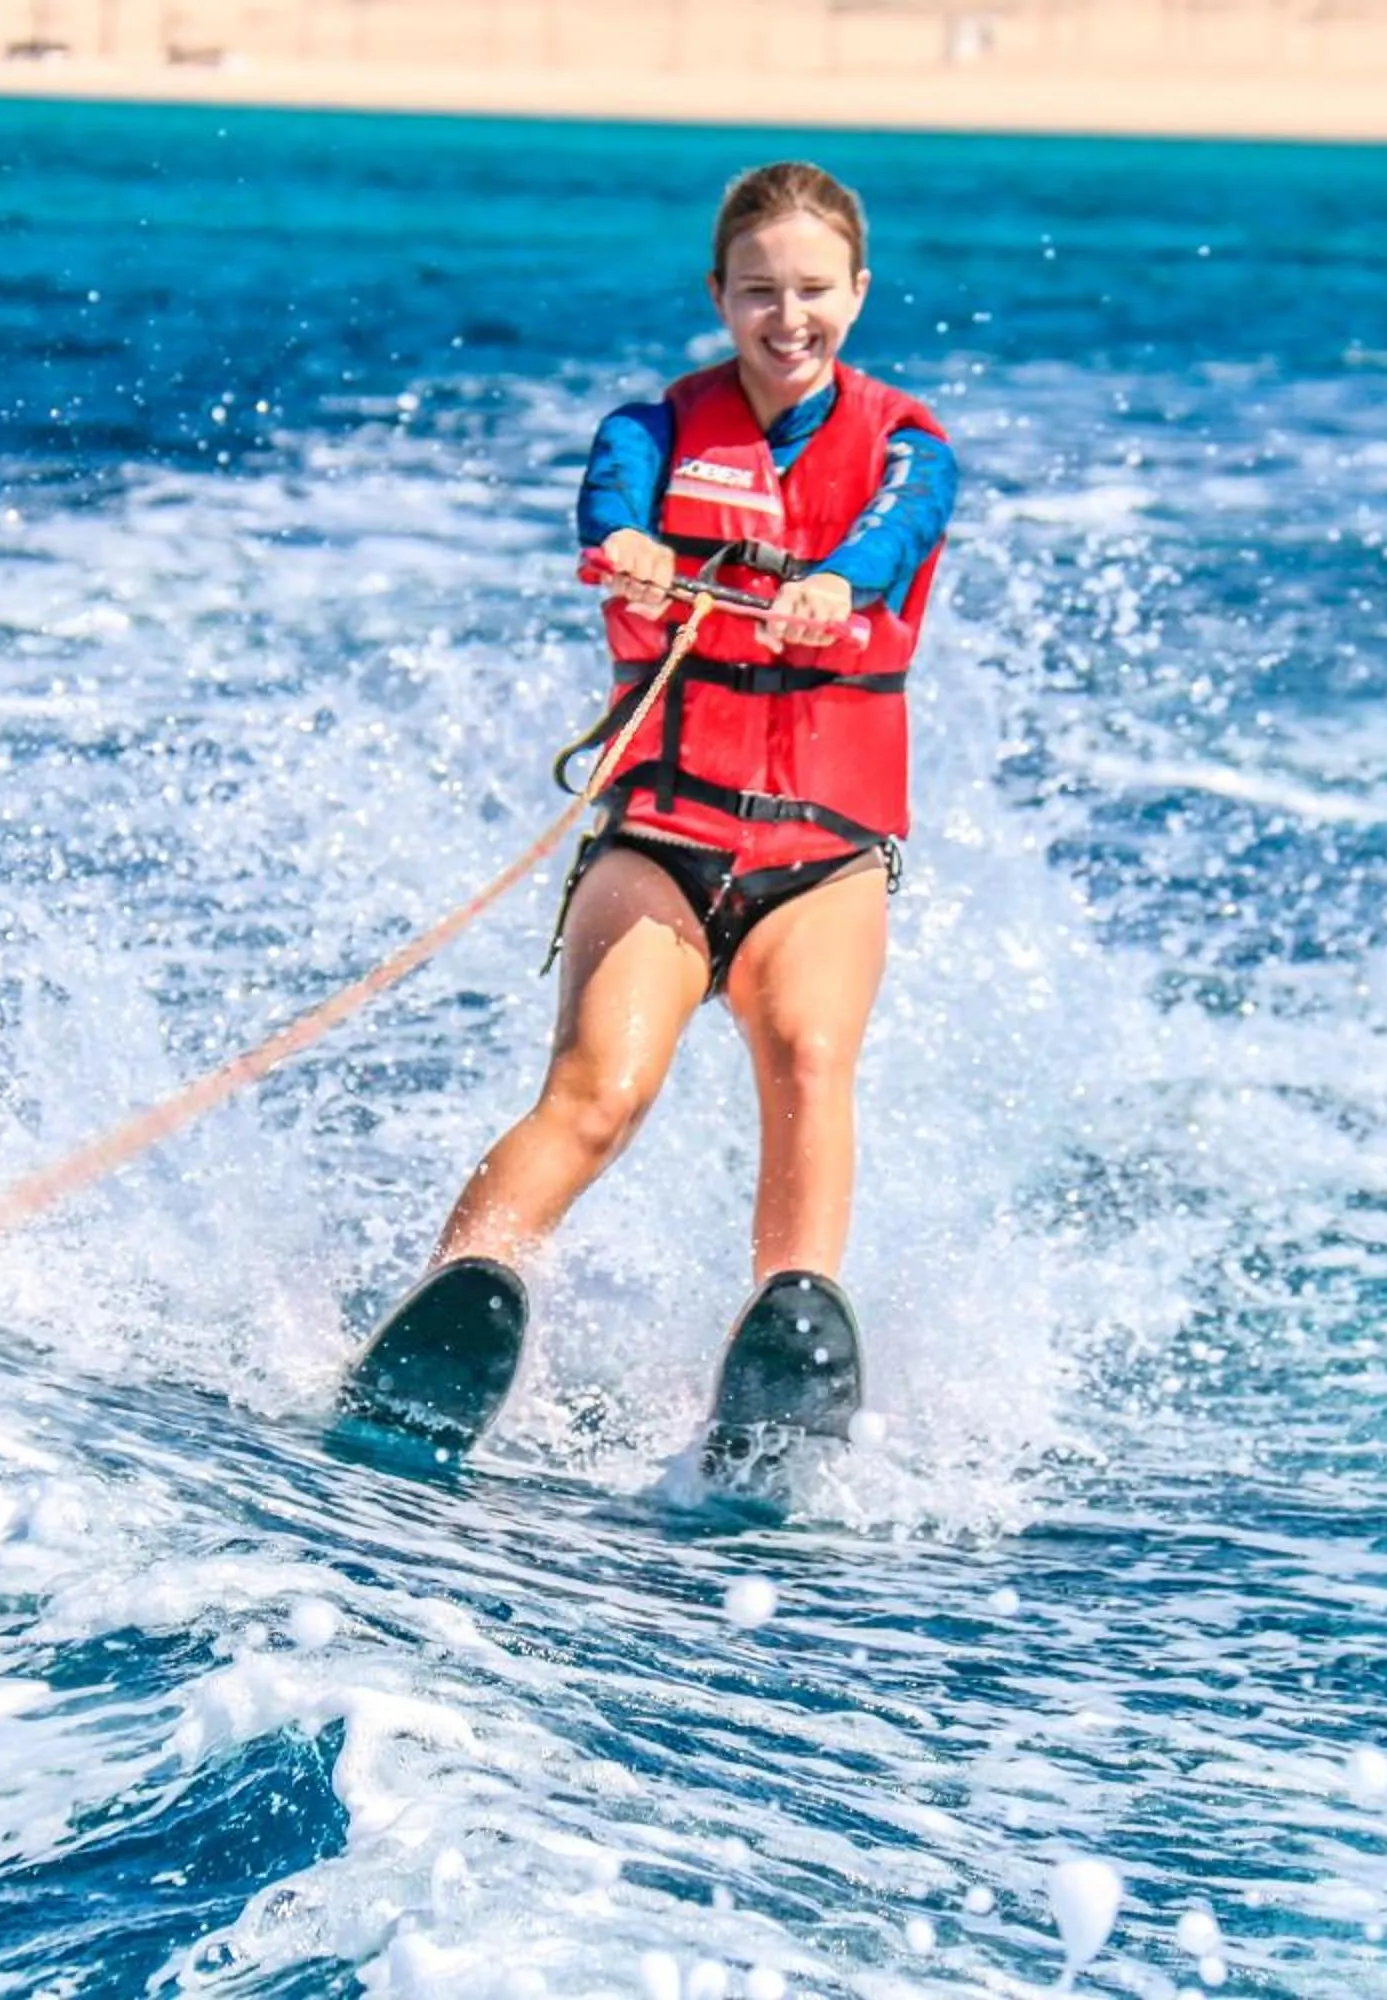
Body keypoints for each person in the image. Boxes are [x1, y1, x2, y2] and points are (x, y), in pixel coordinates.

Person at [349, 161, 957, 1450]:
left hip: (822, 857)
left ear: (857, 291)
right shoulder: (651, 429)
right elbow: (610, 508)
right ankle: (448, 1313)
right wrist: (630, 546)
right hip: (665, 842)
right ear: (719, 296)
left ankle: (789, 1351)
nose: (786, 318)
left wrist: (840, 584)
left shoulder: (907, 449)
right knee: (601, 1089)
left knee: (807, 1062)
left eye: (812, 291)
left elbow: (897, 536)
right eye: (758, 292)